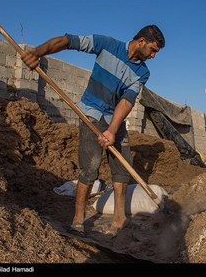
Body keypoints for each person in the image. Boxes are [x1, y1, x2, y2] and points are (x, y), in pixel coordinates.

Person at [21, 25, 165, 234]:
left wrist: (113, 130)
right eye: (153, 50)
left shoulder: (143, 72)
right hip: (92, 114)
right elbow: (67, 41)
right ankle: (78, 218)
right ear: (141, 41)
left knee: (122, 168)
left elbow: (126, 101)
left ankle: (119, 219)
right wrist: (37, 52)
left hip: (115, 119)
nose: (153, 56)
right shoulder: (106, 44)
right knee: (90, 168)